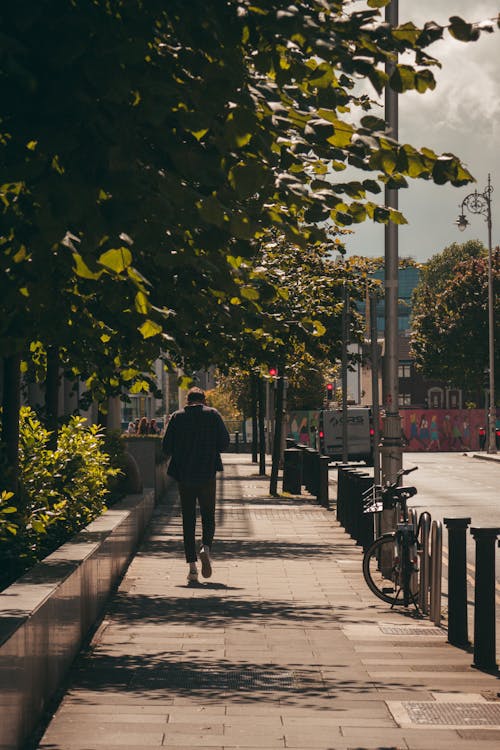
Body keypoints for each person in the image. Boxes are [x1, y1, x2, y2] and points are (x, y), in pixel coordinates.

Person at [162, 387, 229, 583]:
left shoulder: (177, 417)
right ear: (204, 400)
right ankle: (205, 548)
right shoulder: (213, 415)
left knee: (188, 520)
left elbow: (166, 447)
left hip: (184, 476)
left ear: (188, 400)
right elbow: (224, 443)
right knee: (208, 516)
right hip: (207, 474)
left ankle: (192, 569)